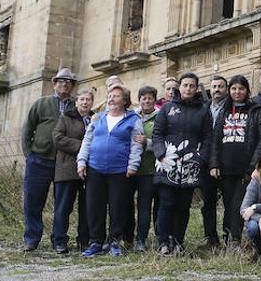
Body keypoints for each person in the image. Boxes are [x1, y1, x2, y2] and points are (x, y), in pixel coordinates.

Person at [77, 83, 143, 257]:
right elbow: (87, 140)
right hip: (95, 169)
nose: (111, 99)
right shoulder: (98, 118)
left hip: (120, 171)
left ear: (125, 100)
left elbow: (136, 145)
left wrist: (133, 165)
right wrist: (81, 161)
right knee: (94, 207)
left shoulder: (134, 119)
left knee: (118, 207)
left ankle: (114, 241)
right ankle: (96, 242)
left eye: (116, 96)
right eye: (110, 95)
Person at [152, 72, 212, 256]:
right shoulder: (167, 108)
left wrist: (201, 158)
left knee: (183, 206)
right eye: (185, 85)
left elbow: (208, 137)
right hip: (168, 162)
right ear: (179, 87)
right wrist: (160, 153)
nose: (188, 88)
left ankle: (178, 241)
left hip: (190, 165)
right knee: (166, 204)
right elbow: (157, 134)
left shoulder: (203, 110)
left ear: (196, 88)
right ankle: (163, 242)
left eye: (192, 86)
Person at [209, 75, 261, 247]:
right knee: (228, 204)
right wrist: (214, 163)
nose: (237, 92)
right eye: (234, 88)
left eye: (241, 88)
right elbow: (215, 139)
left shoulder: (256, 110)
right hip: (226, 167)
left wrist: (255, 165)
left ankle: (235, 240)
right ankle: (228, 237)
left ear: (247, 90)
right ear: (229, 91)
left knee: (239, 203)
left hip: (247, 168)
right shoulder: (224, 111)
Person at [21, 67, 77, 252]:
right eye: (61, 81)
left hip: (64, 162)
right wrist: (29, 154)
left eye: (68, 82)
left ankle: (59, 240)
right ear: (54, 84)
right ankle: (32, 238)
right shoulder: (41, 103)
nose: (64, 85)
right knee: (33, 201)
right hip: (39, 159)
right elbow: (27, 129)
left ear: (72, 86)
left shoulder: (77, 105)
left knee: (63, 204)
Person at [51, 87, 93, 254]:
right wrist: (83, 146)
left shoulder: (95, 119)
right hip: (67, 169)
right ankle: (59, 240)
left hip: (89, 171)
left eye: (88, 100)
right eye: (82, 99)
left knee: (87, 208)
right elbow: (57, 138)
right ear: (76, 102)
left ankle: (84, 241)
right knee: (63, 207)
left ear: (92, 103)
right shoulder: (66, 118)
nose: (85, 102)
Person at [127, 86, 160, 252]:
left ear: (155, 100)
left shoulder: (160, 117)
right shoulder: (131, 116)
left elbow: (163, 143)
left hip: (149, 171)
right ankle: (126, 238)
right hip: (129, 170)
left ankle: (141, 239)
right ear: (139, 100)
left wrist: (147, 142)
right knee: (126, 206)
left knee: (144, 206)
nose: (147, 101)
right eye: (144, 98)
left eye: (150, 98)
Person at [201, 76, 229, 248]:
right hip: (205, 163)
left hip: (225, 160)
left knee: (229, 201)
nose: (217, 89)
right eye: (214, 86)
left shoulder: (231, 108)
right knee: (208, 202)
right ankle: (210, 237)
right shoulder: (203, 108)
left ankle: (229, 236)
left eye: (220, 86)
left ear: (226, 89)